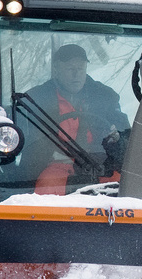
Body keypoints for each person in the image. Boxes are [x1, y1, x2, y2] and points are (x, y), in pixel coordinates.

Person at [17, 44, 130, 194]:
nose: (76, 74)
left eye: (81, 68)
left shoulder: (105, 97)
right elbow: (31, 144)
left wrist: (117, 140)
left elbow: (126, 135)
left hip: (101, 164)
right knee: (48, 187)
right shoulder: (37, 99)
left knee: (126, 188)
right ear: (56, 70)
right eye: (70, 69)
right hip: (58, 165)